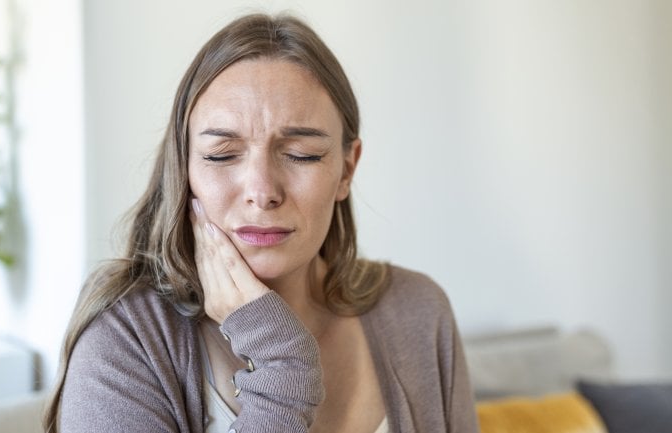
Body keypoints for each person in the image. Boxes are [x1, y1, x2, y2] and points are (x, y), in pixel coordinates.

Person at [43, 13, 478, 433]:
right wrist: (282, 364)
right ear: (185, 167)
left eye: (301, 154)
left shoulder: (419, 311)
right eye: (222, 155)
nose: (262, 190)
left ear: (346, 169)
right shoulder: (126, 339)